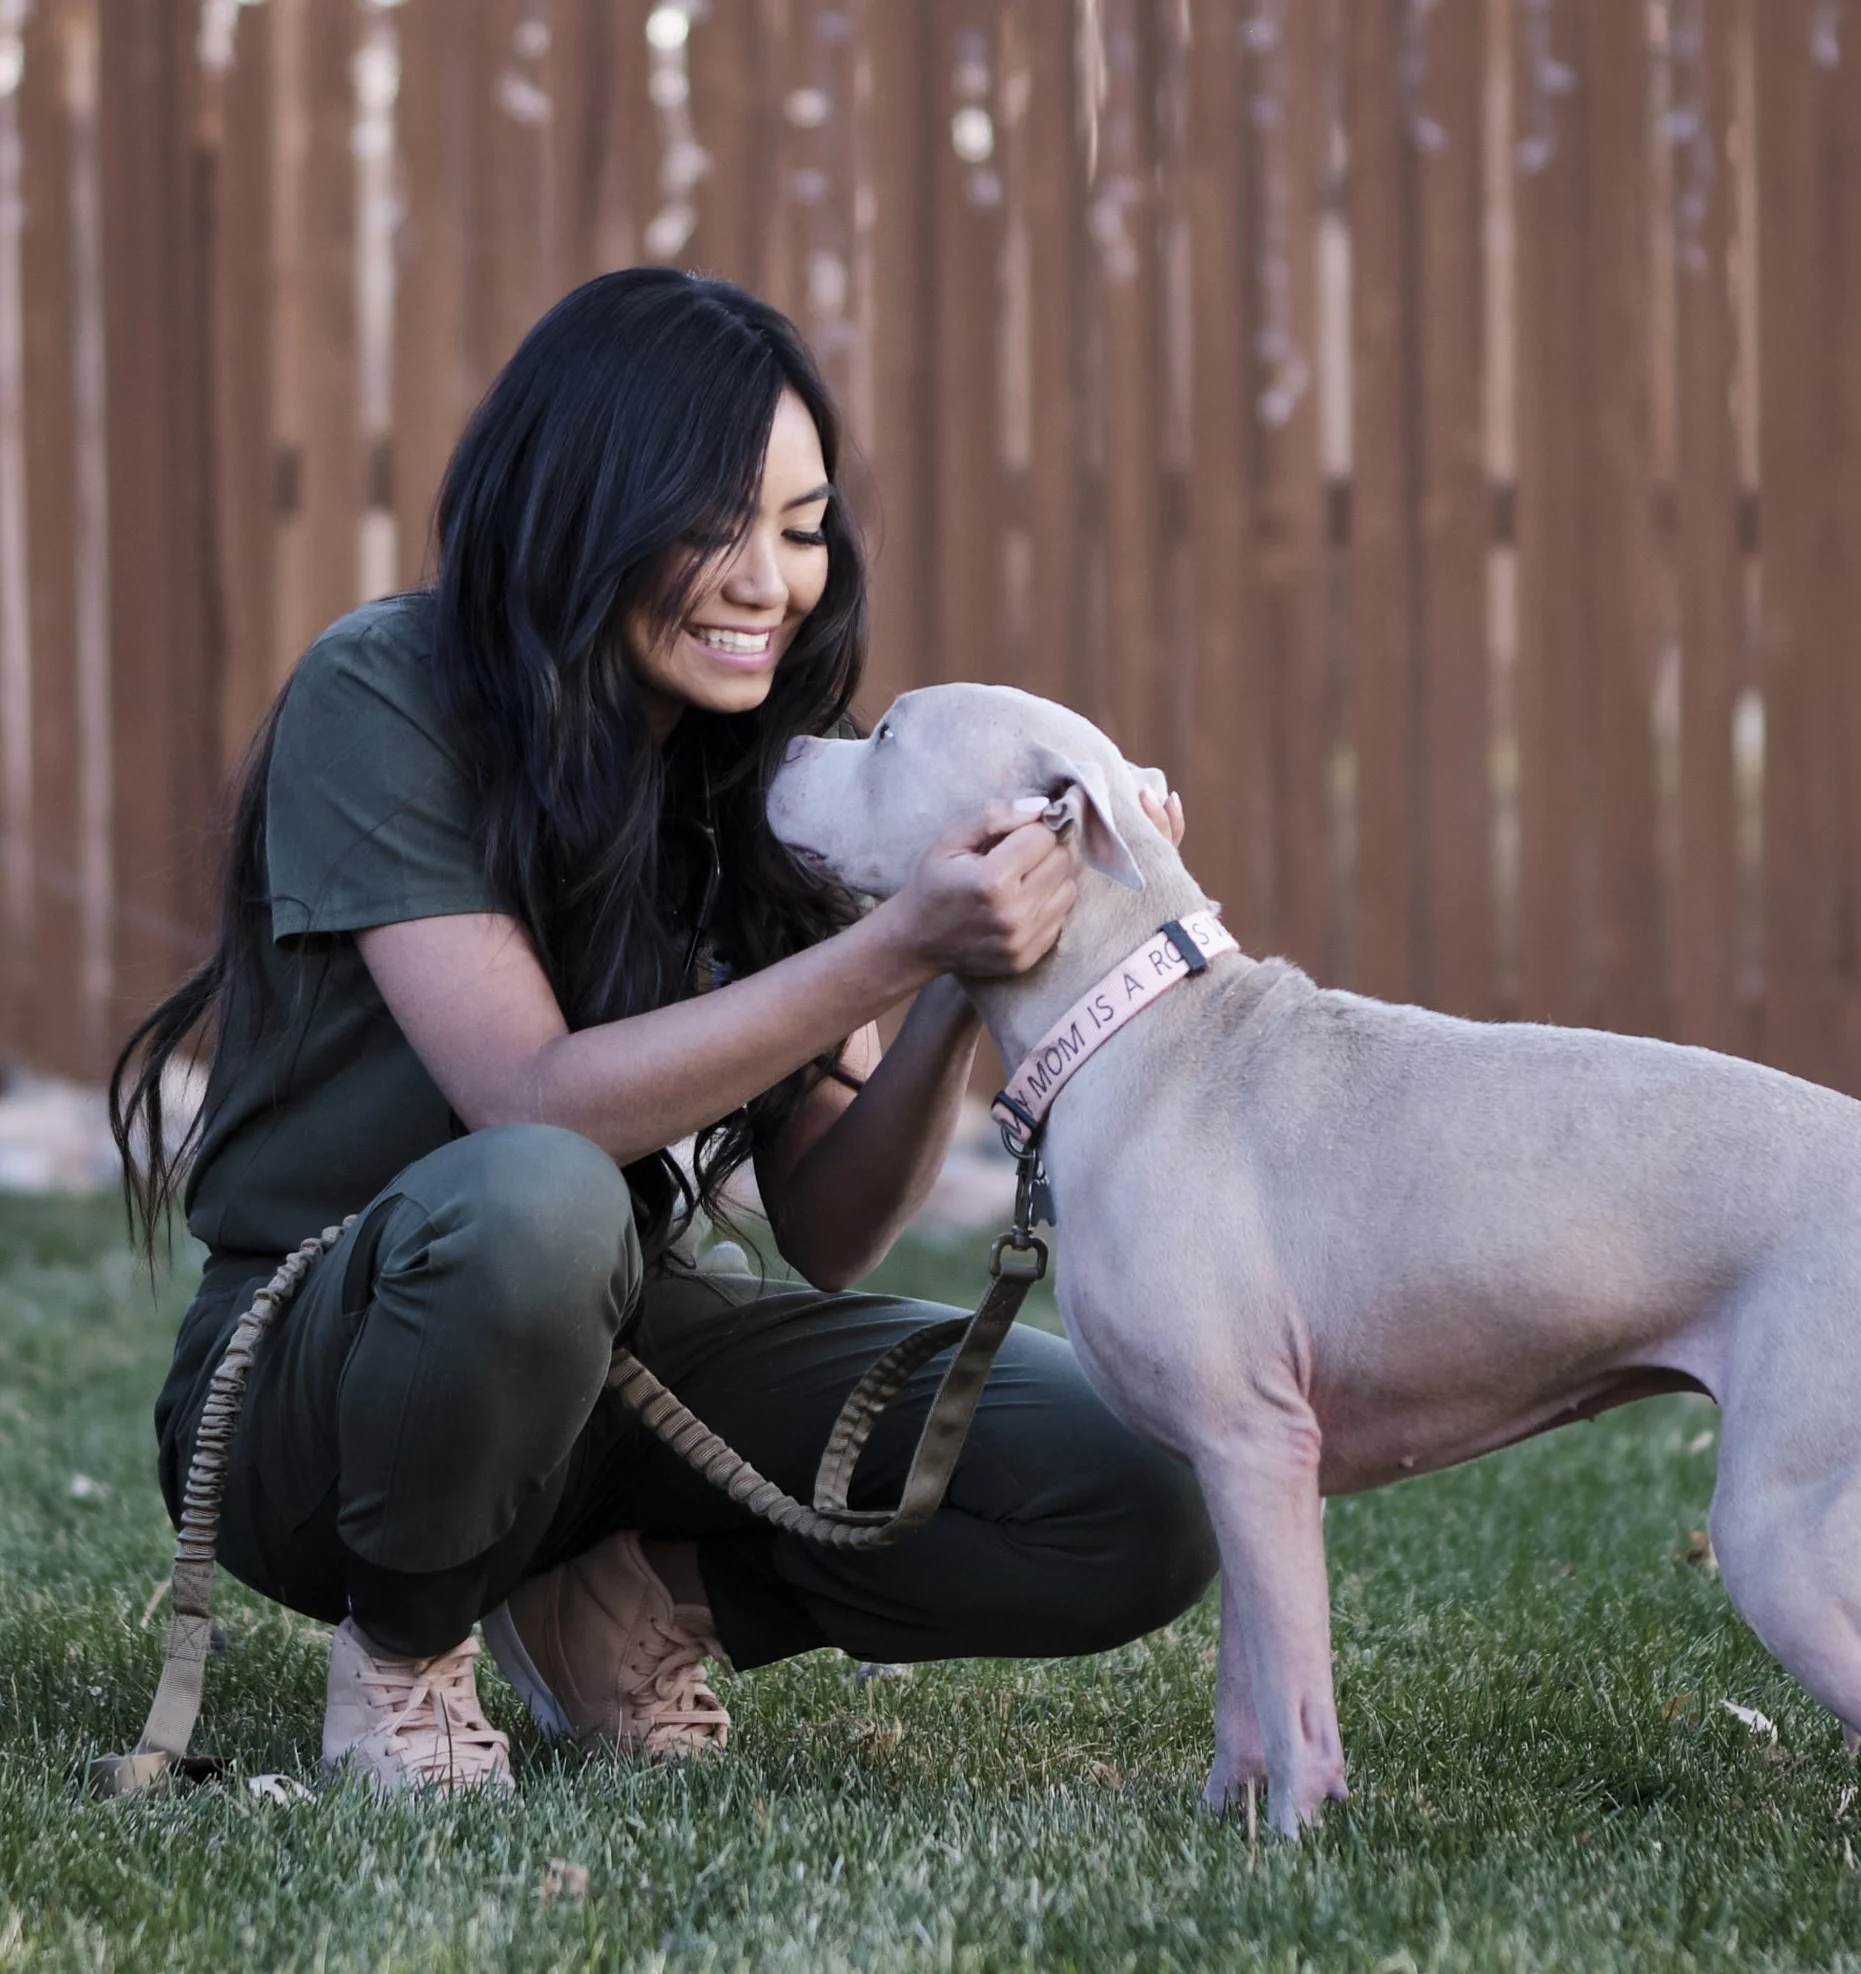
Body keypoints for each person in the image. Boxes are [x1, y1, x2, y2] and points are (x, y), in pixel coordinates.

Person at [112, 268, 1216, 1796]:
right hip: (327, 1384)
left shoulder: (756, 778)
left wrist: (971, 973)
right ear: (583, 504)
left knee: (1146, 1479)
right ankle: (405, 1650)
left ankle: (624, 1599)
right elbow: (531, 1099)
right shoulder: (386, 692)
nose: (771, 580)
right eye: (718, 520)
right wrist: (893, 943)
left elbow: (832, 1227)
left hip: (625, 1360)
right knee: (540, 1196)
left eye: (805, 526)